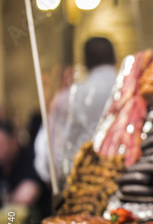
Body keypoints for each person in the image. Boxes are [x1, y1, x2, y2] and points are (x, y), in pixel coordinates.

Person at [35, 37, 117, 190]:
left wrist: (53, 178)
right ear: (114, 57)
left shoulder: (70, 97)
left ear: (85, 61)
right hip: (126, 180)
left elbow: (50, 146)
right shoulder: (131, 88)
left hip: (81, 185)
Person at [0, 120, 42, 209]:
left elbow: (27, 196)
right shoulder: (3, 165)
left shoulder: (31, 157)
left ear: (14, 140)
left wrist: (6, 200)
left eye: (1, 144)